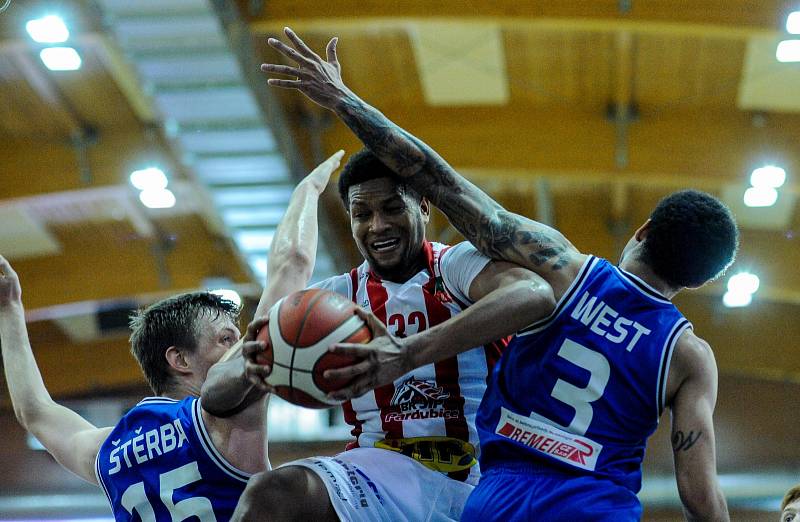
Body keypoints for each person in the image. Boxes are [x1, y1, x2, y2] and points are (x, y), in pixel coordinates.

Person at [261, 27, 737, 521]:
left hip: (499, 497)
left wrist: (342, 99)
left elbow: (435, 177)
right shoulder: (688, 355)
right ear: (698, 281)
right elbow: (699, 495)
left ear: (642, 230)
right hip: (595, 505)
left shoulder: (562, 268)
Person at [0, 151, 343, 521]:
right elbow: (291, 263)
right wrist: (308, 189)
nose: (239, 349)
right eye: (226, 339)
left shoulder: (109, 450)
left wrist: (9, 309)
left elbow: (33, 411)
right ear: (179, 360)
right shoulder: (226, 415)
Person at [223, 141, 555, 521]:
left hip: (484, 469)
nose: (377, 225)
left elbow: (535, 294)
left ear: (424, 207)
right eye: (362, 214)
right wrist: (254, 364)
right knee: (274, 492)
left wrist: (408, 353)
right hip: (381, 470)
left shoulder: (454, 265)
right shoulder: (335, 298)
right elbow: (215, 393)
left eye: (392, 208)